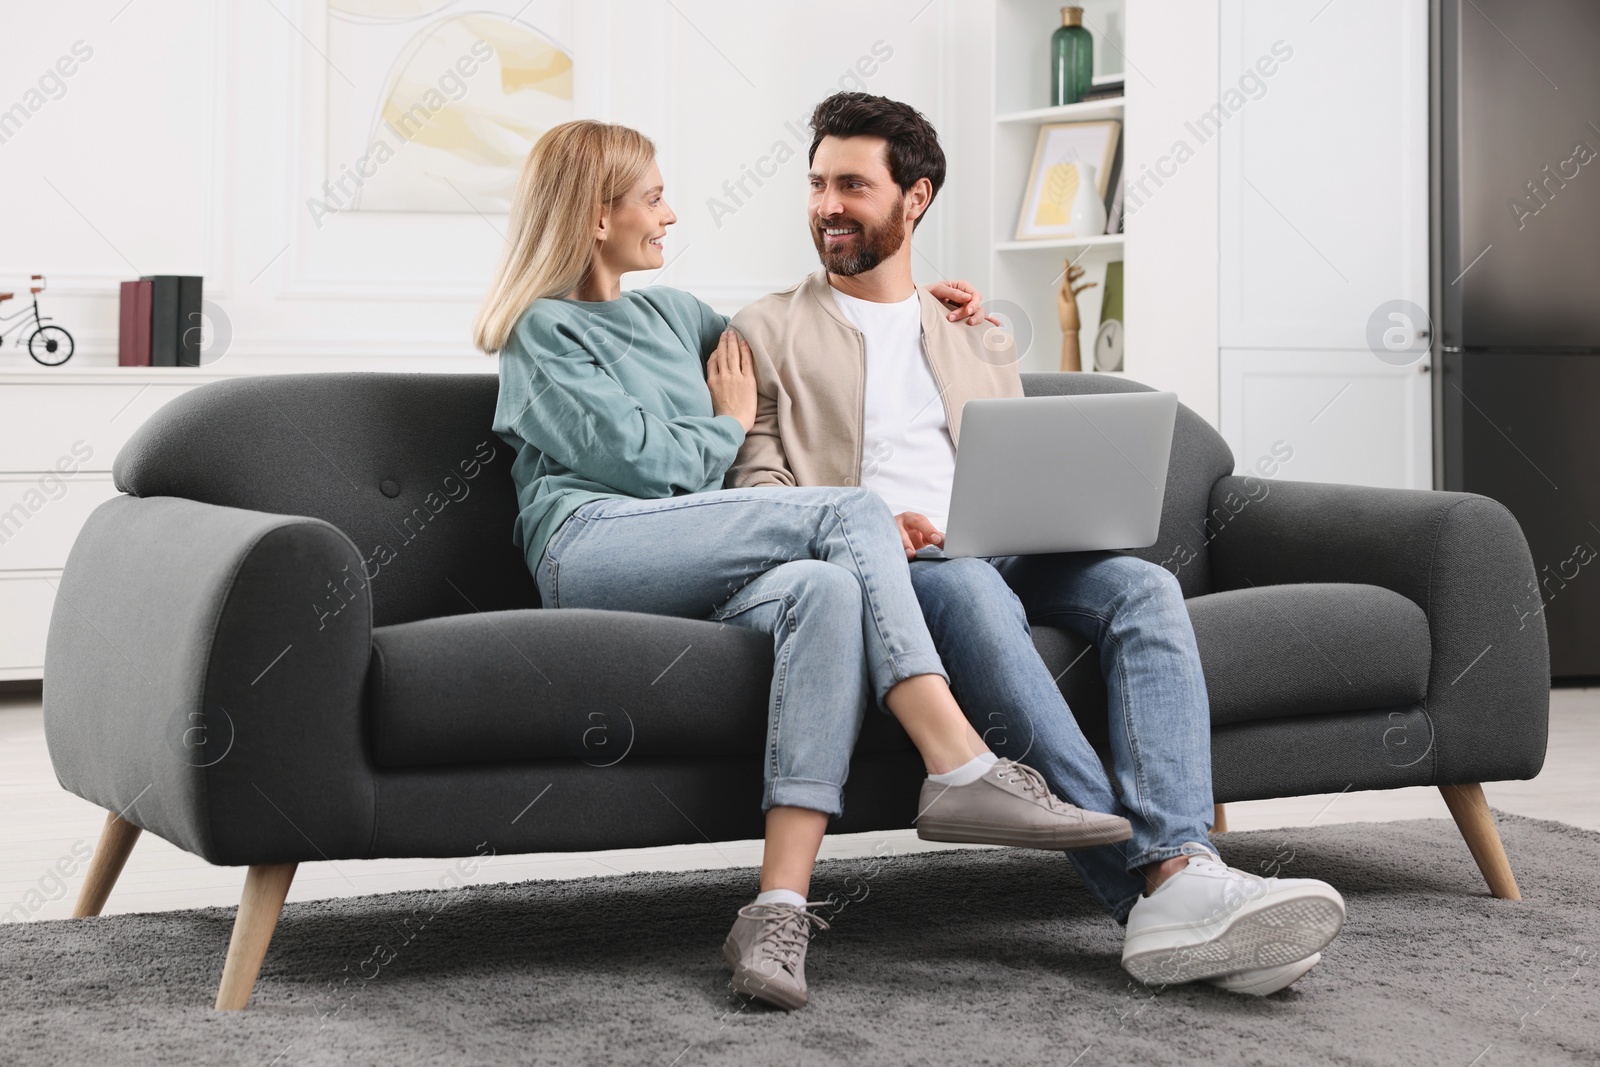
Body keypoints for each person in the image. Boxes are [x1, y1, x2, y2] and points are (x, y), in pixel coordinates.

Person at [475, 119, 1132, 1011]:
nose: (671, 214)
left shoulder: (673, 314)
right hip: (591, 543)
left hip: (696, 543)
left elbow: (800, 324)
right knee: (847, 510)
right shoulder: (539, 332)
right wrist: (721, 424)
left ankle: (777, 907)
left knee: (824, 587)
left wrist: (916, 314)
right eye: (654, 196)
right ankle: (960, 762)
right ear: (597, 217)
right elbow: (632, 458)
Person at [726, 92, 1348, 997]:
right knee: (972, 590)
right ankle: (1165, 888)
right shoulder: (764, 329)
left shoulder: (971, 326)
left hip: (999, 543)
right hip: (902, 570)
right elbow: (756, 488)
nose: (827, 204)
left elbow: (1016, 459)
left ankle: (1185, 872)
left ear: (916, 197)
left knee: (1141, 585)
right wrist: (865, 519)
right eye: (817, 183)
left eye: (853, 185)